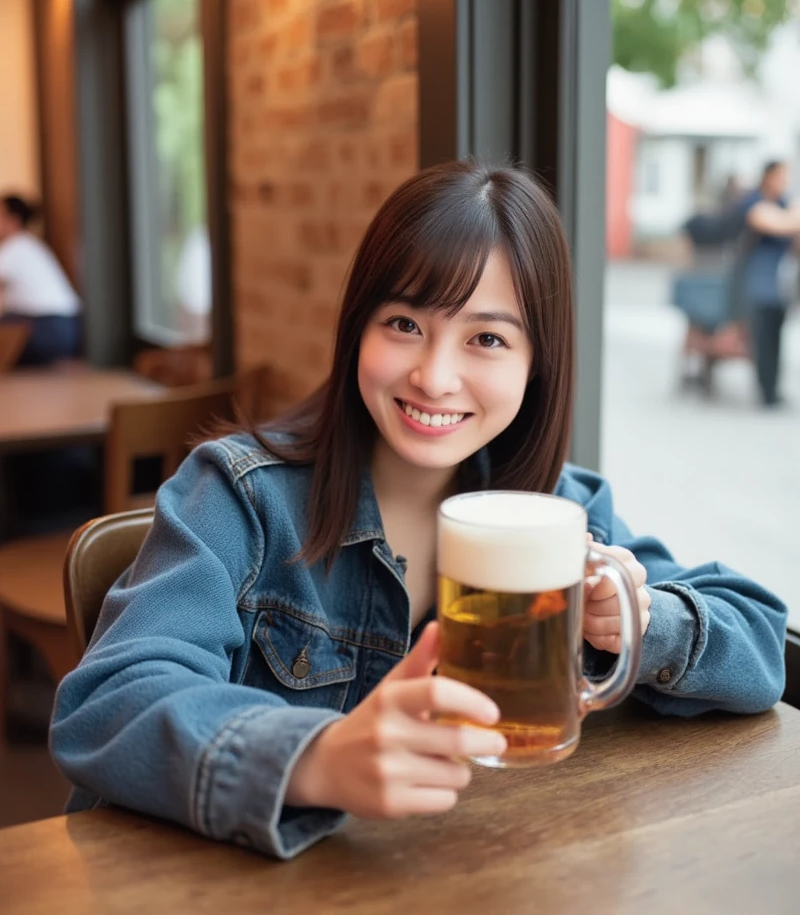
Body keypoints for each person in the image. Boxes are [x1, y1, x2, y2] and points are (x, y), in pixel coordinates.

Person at [50, 162, 787, 860]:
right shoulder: (240, 496)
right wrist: (315, 759)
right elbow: (107, 704)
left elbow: (758, 640)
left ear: (539, 367)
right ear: (357, 330)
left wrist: (640, 621)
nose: (435, 376)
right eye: (404, 323)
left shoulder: (561, 513)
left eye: (488, 339)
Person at [739, 161, 800, 407]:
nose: (785, 181)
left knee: (776, 338)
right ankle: (766, 392)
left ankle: (773, 389)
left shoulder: (783, 205)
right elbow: (783, 225)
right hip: (758, 282)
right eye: (781, 176)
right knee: (762, 339)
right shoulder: (754, 204)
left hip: (780, 284)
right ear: (768, 176)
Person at [0, 194, 82, 365]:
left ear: (13, 220)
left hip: (48, 328)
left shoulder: (16, 247)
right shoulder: (27, 245)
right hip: (63, 328)